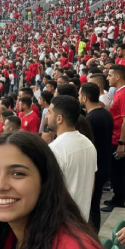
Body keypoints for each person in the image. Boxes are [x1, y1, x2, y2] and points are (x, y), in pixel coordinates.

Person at [47, 95, 97, 223]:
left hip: (62, 221)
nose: (47, 116)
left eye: (49, 112)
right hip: (82, 218)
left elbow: (50, 191)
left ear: (59, 118)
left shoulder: (55, 149)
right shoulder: (89, 144)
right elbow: (91, 184)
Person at [80, 82, 114, 228]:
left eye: (80, 95)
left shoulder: (91, 119)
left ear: (85, 97)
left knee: (92, 206)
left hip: (96, 168)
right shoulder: (105, 113)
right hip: (105, 164)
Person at [105, 64, 125, 213]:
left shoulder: (124, 94)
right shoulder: (120, 92)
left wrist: (121, 143)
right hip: (117, 137)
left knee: (116, 170)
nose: (107, 78)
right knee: (120, 169)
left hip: (119, 140)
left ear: (117, 76)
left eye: (109, 75)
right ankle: (121, 196)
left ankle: (118, 199)